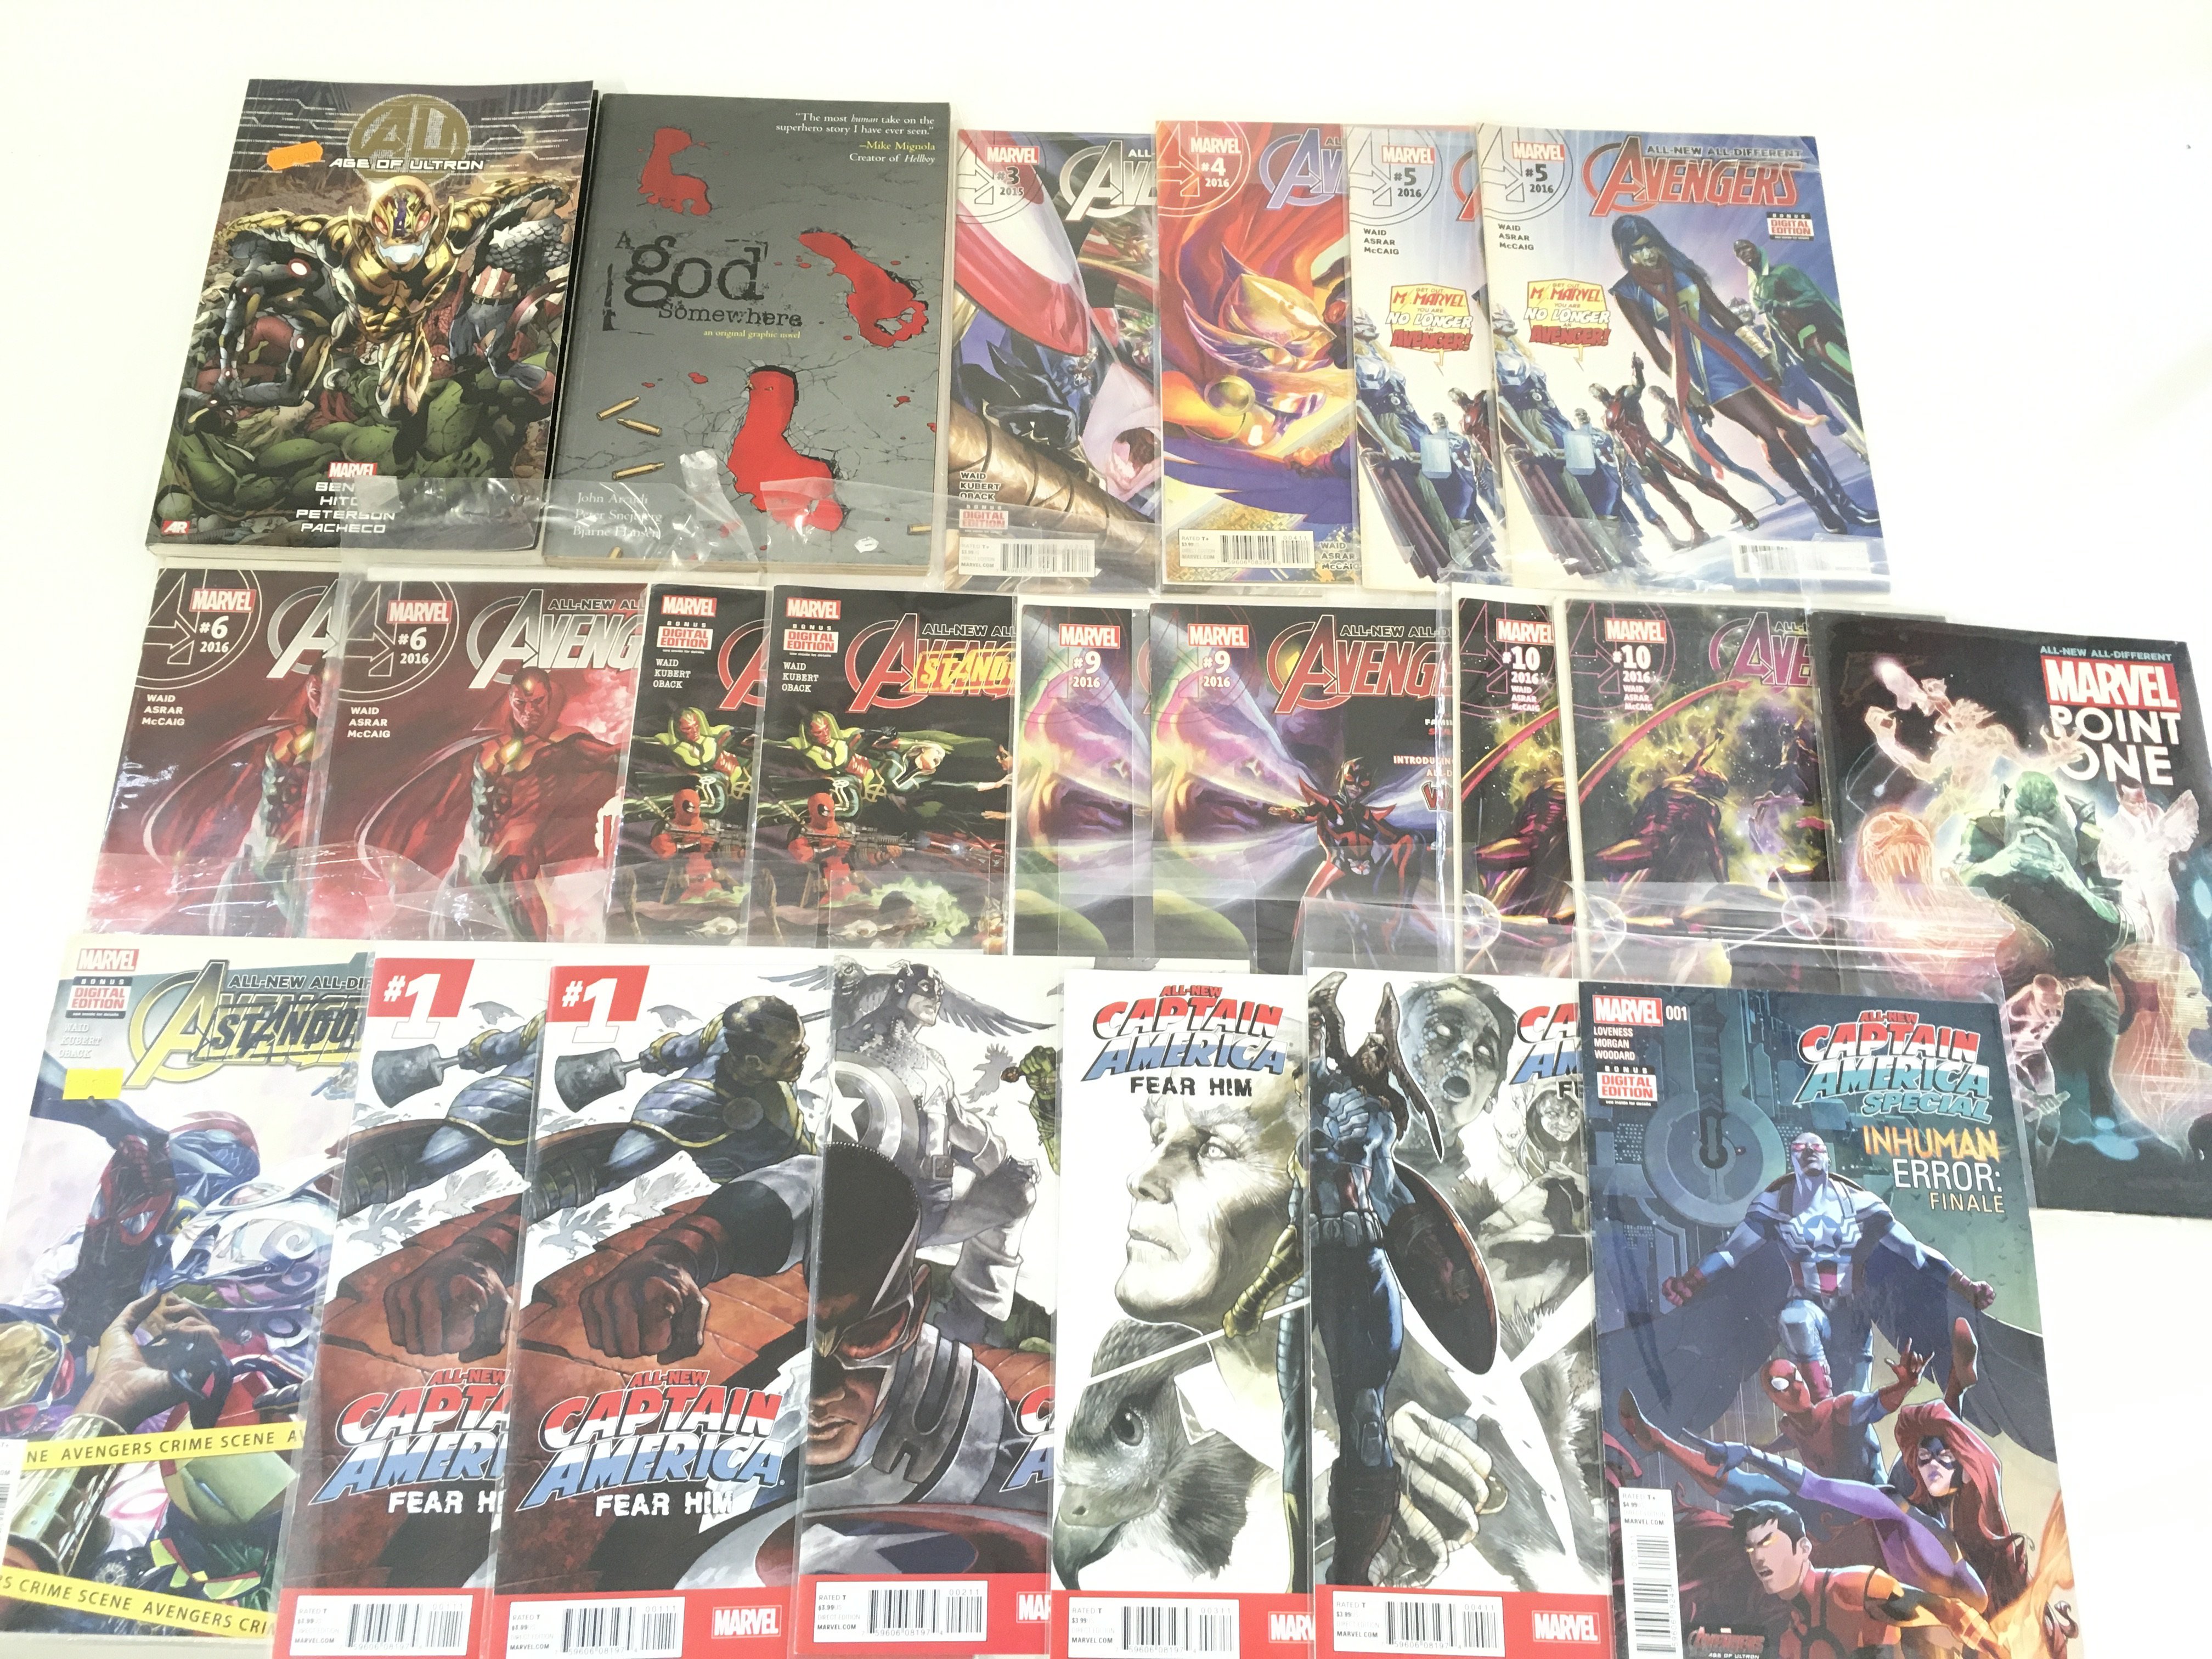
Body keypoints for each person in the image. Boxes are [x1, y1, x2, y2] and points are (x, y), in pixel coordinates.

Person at [1730, 1501, 2005, 1659]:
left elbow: (1949, 1611)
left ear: (1803, 1548)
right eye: (1751, 1549)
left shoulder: (1853, 1589)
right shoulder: (1789, 1643)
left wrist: (2001, 1653)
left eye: (1768, 1543)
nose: (1759, 1557)